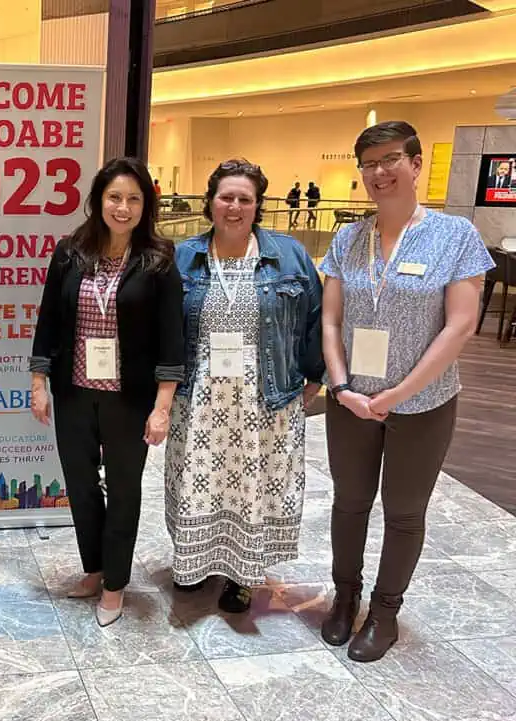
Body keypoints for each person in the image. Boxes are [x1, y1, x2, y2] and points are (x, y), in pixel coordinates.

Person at [319, 121, 493, 662]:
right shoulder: (348, 238)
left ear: (416, 164)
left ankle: (386, 610)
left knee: (404, 509)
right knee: (349, 502)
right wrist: (343, 385)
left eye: (390, 159)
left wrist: (398, 393)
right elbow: (330, 321)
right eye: (368, 164)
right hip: (350, 402)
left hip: (424, 403)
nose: (379, 173)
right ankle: (344, 597)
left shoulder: (455, 236)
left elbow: (461, 325)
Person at [30, 157, 185, 627]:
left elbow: (171, 339)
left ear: (146, 205)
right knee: (80, 486)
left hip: (129, 398)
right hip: (75, 392)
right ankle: (95, 568)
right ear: (98, 200)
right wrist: (39, 381)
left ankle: (115, 584)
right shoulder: (70, 252)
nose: (123, 207)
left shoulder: (158, 260)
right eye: (114, 197)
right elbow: (49, 322)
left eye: (134, 199)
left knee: (122, 491)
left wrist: (162, 409)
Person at [165, 159, 324, 613]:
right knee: (200, 480)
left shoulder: (289, 254)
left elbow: (314, 315)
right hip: (199, 394)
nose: (234, 207)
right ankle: (195, 560)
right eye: (225, 197)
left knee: (252, 484)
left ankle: (243, 575)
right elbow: (164, 326)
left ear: (258, 206)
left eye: (245, 199)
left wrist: (314, 375)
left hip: (264, 394)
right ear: (209, 202)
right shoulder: (184, 256)